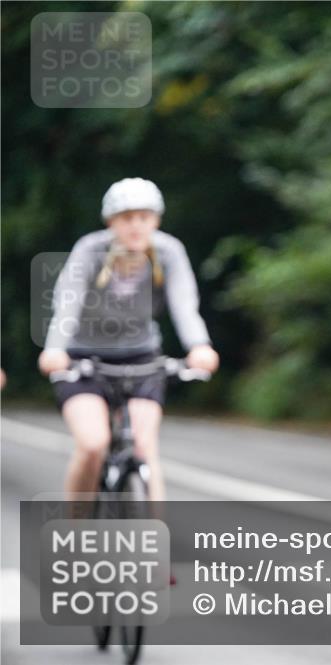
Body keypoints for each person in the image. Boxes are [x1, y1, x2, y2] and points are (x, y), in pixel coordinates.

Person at [37, 177, 219, 504]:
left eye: (144, 217)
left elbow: (184, 304)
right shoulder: (90, 250)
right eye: (126, 218)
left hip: (141, 359)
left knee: (144, 447)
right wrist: (55, 349)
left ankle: (153, 542)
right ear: (111, 222)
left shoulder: (169, 252)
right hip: (83, 359)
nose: (136, 226)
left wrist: (199, 346)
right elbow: (68, 302)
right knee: (93, 444)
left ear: (156, 220)